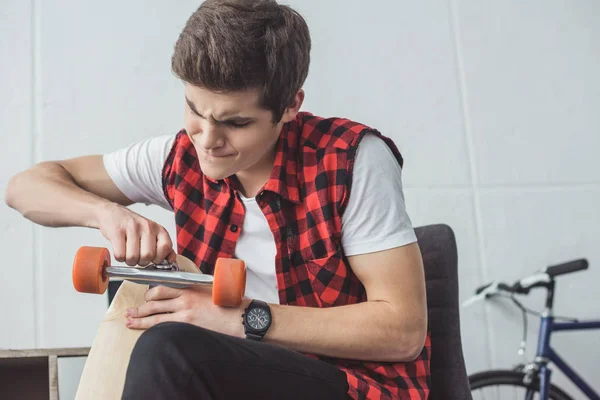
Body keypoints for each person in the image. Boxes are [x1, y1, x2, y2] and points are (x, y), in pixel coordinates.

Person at [5, 0, 431, 399]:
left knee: (169, 349)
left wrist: (243, 319)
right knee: (141, 308)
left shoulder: (353, 159)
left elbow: (403, 330)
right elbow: (24, 188)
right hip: (235, 375)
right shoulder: (178, 157)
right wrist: (105, 213)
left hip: (351, 384)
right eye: (194, 109)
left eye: (237, 122)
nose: (208, 141)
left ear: (289, 106)